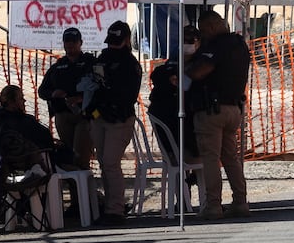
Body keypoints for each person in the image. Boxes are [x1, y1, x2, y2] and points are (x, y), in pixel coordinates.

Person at [186, 10, 250, 219]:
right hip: (233, 108)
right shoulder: (239, 44)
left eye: (204, 31)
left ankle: (213, 205)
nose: (203, 36)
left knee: (210, 158)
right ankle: (240, 201)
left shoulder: (217, 46)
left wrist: (188, 64)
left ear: (212, 26)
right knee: (231, 158)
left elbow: (199, 72)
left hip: (212, 111)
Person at [86, 20, 142, 224]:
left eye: (117, 42)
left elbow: (127, 95)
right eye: (111, 41)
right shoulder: (102, 58)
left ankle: (115, 210)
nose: (113, 46)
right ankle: (110, 207)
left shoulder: (130, 64)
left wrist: (108, 86)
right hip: (99, 117)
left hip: (119, 118)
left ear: (126, 40)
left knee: (110, 163)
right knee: (104, 163)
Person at [38, 27, 96, 170]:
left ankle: (85, 190)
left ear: (80, 42)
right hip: (63, 116)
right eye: (67, 41)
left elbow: (101, 88)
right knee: (68, 157)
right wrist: (54, 94)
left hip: (86, 116)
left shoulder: (91, 63)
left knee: (80, 157)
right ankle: (77, 188)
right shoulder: (58, 66)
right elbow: (42, 91)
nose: (70, 45)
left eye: (73, 41)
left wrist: (81, 98)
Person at [148, 24, 201, 161]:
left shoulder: (202, 63)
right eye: (184, 40)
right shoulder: (172, 62)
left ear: (199, 42)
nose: (187, 44)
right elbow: (158, 76)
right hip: (174, 122)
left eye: (191, 41)